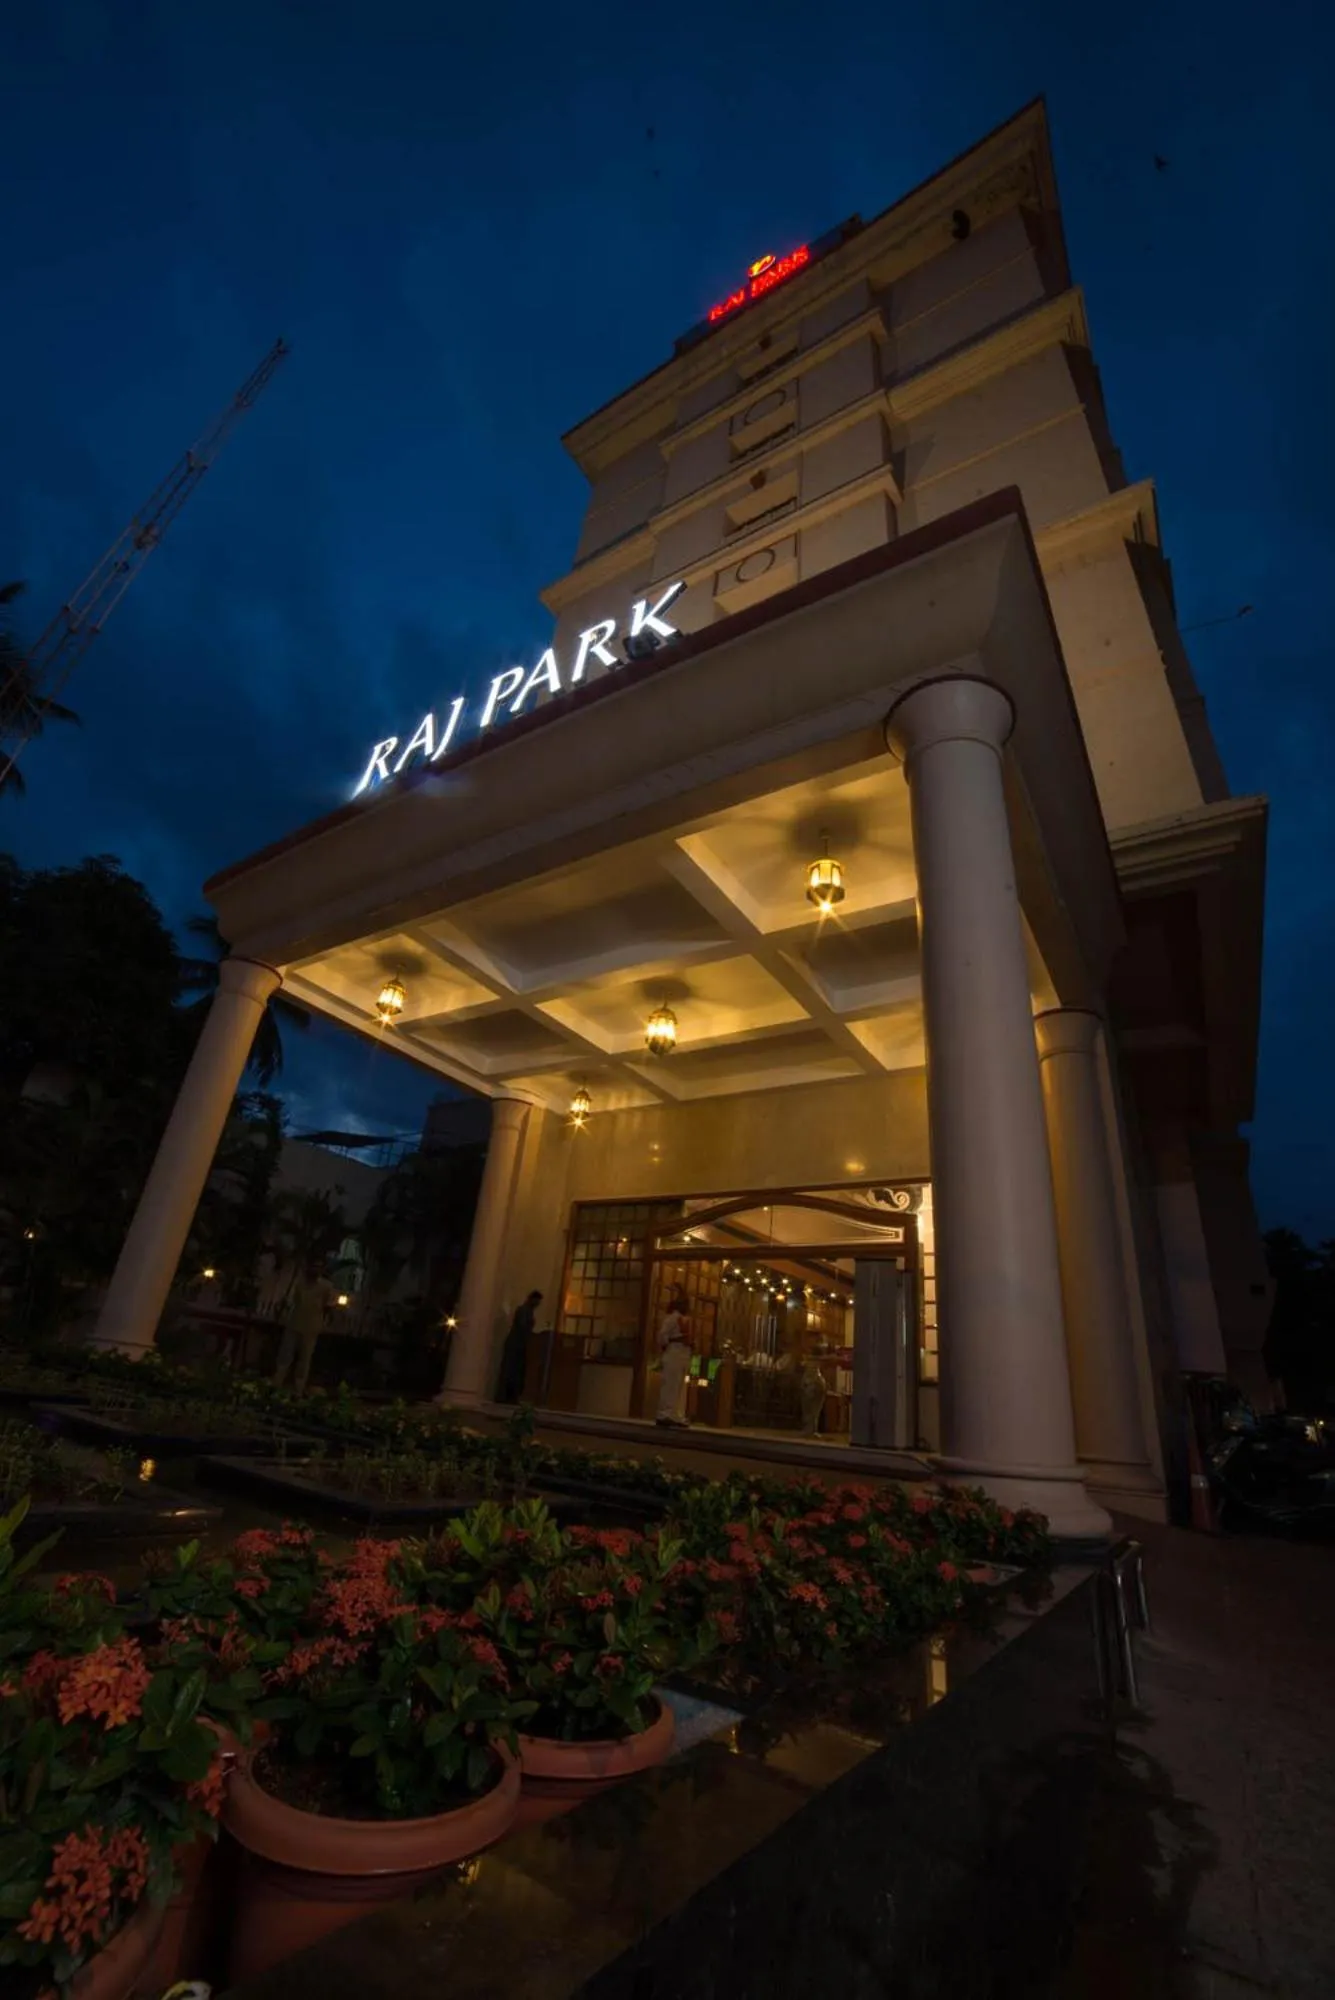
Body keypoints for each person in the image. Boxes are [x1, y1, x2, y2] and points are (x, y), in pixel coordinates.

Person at [273, 1262, 335, 1394]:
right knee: (285, 1356)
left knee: (304, 1359)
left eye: (317, 1267)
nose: (314, 1269)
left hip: (311, 1327)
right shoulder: (299, 1284)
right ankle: (277, 1383)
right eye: (312, 1266)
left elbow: (328, 1307)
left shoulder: (326, 1286)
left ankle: (298, 1389)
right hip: (294, 1323)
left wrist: (327, 1323)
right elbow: (292, 1301)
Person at [496, 1290, 543, 1404]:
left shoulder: (528, 1311)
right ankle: (505, 1397)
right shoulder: (523, 1310)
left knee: (516, 1371)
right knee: (511, 1370)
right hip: (516, 1344)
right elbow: (523, 1327)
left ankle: (511, 1396)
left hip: (520, 1345)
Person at [655, 1292, 693, 1428]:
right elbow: (662, 1335)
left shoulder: (685, 1319)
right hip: (674, 1352)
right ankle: (664, 1413)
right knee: (670, 1384)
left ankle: (676, 1414)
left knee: (679, 1387)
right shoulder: (672, 1319)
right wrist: (669, 1343)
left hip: (683, 1353)